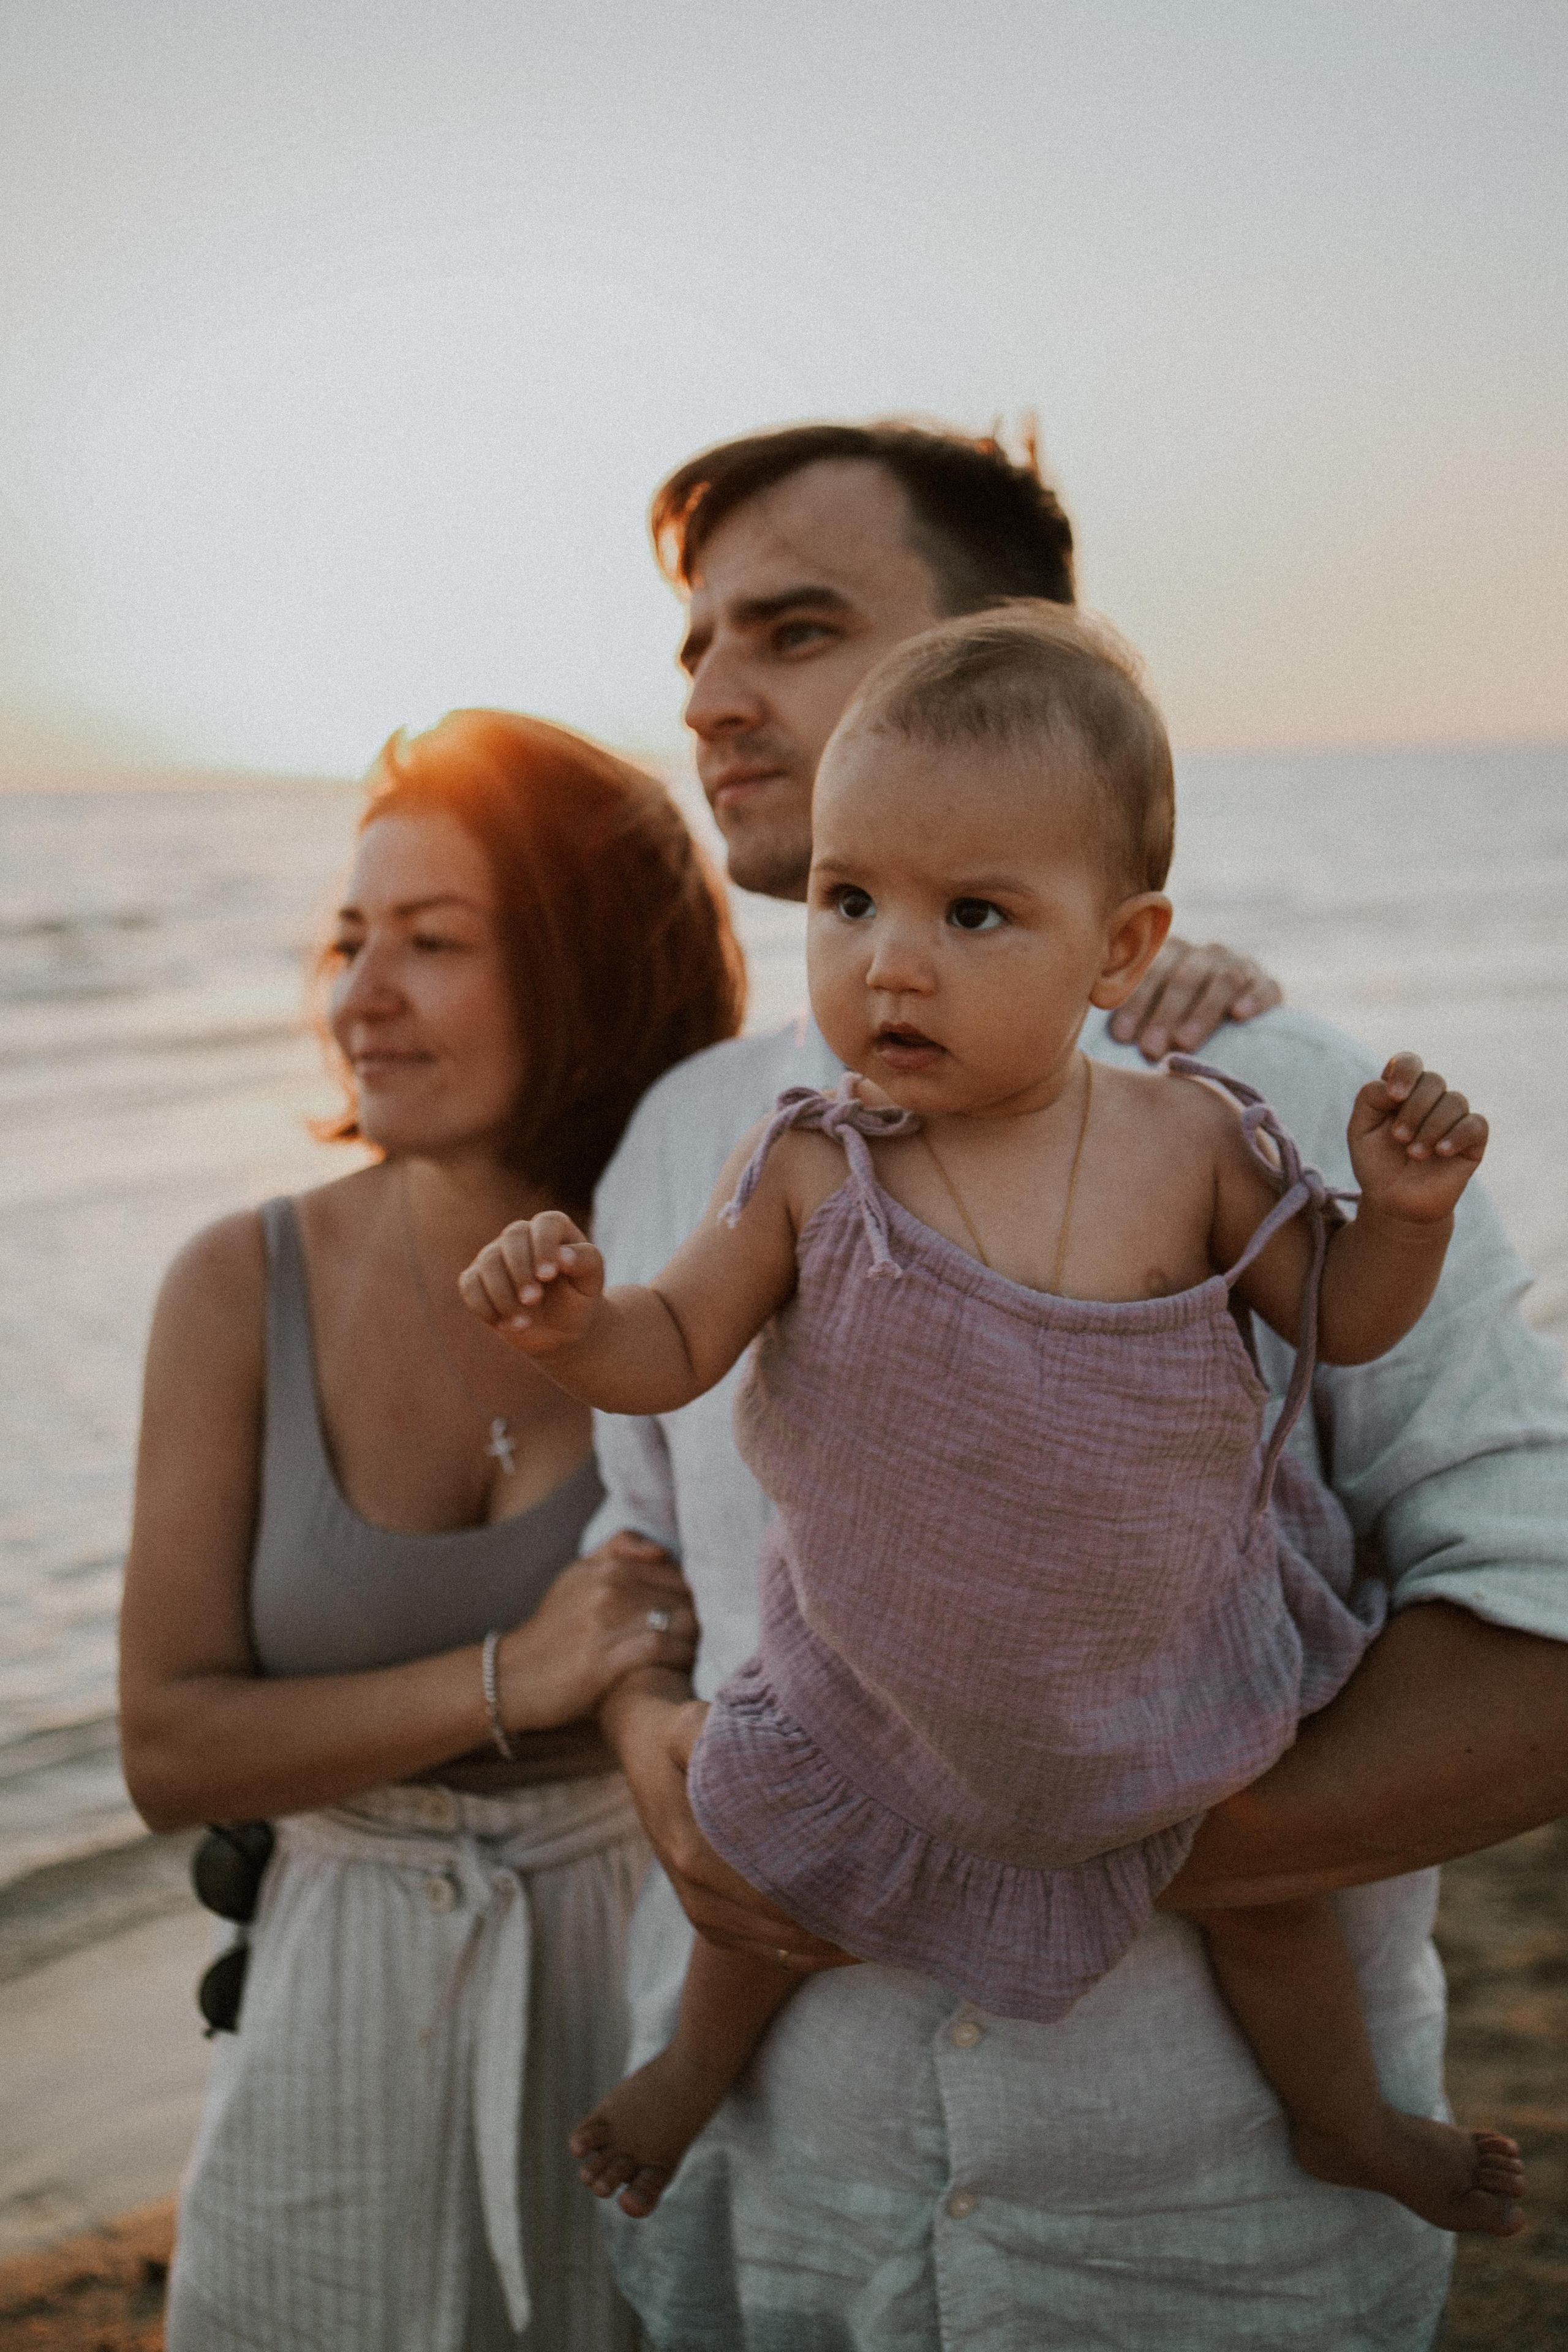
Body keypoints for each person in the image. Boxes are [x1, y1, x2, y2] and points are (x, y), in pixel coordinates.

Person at [568, 424, 1568, 2350]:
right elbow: (640, 1552)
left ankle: (1357, 2120)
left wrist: (1058, 1834)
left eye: (792, 629)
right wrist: (658, 1763)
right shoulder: (697, 1139)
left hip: (1191, 2237)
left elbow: (1543, 1630)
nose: (713, 696)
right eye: (694, 647)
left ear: (1028, 656)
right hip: (781, 2228)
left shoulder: (1259, 1101)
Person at [118, 709, 742, 2351]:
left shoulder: (719, 1271)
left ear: (583, 968)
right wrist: (508, 1678)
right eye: (348, 940)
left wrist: (1187, 995)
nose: (358, 999)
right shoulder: (238, 1288)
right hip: (331, 1994)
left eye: (433, 943)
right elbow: (169, 1748)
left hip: (659, 1986)